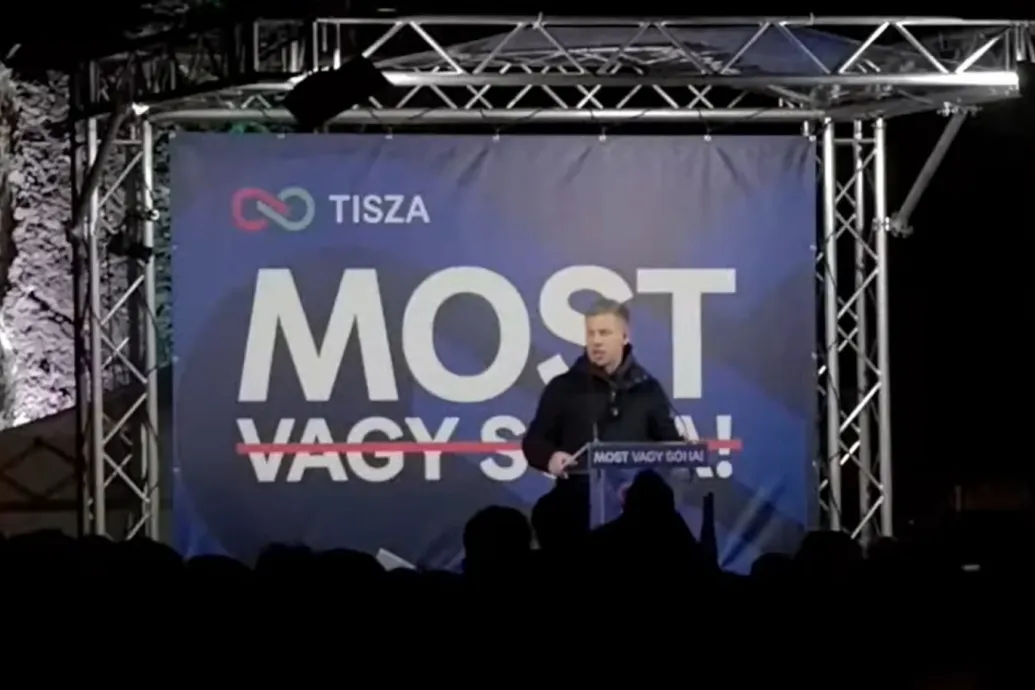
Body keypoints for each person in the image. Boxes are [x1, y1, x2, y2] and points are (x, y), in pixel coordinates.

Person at [522, 298, 682, 478]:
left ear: (624, 336)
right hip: (577, 492)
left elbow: (673, 449)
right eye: (591, 333)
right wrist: (550, 458)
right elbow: (534, 442)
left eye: (604, 333)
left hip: (634, 493)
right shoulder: (563, 388)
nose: (596, 341)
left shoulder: (647, 389)